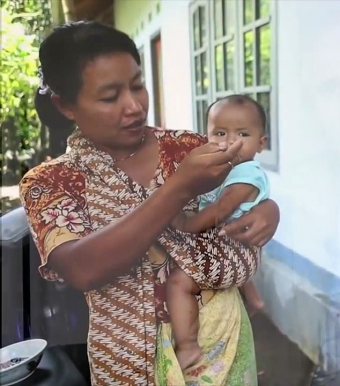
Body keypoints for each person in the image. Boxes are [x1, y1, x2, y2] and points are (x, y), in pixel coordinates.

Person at [21, 21, 279, 385]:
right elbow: (82, 268)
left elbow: (245, 185)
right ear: (65, 105)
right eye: (110, 96)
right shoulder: (50, 182)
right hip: (128, 356)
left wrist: (268, 209)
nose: (135, 106)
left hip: (224, 337)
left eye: (138, 85)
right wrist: (178, 188)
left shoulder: (188, 146)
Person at [168, 94, 269, 369]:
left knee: (179, 282)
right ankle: (255, 299)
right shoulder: (220, 168)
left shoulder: (248, 174)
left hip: (232, 247)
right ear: (207, 135)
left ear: (262, 143)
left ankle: (188, 345)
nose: (230, 142)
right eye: (220, 133)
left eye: (243, 134)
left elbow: (221, 210)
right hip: (228, 244)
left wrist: (187, 224)